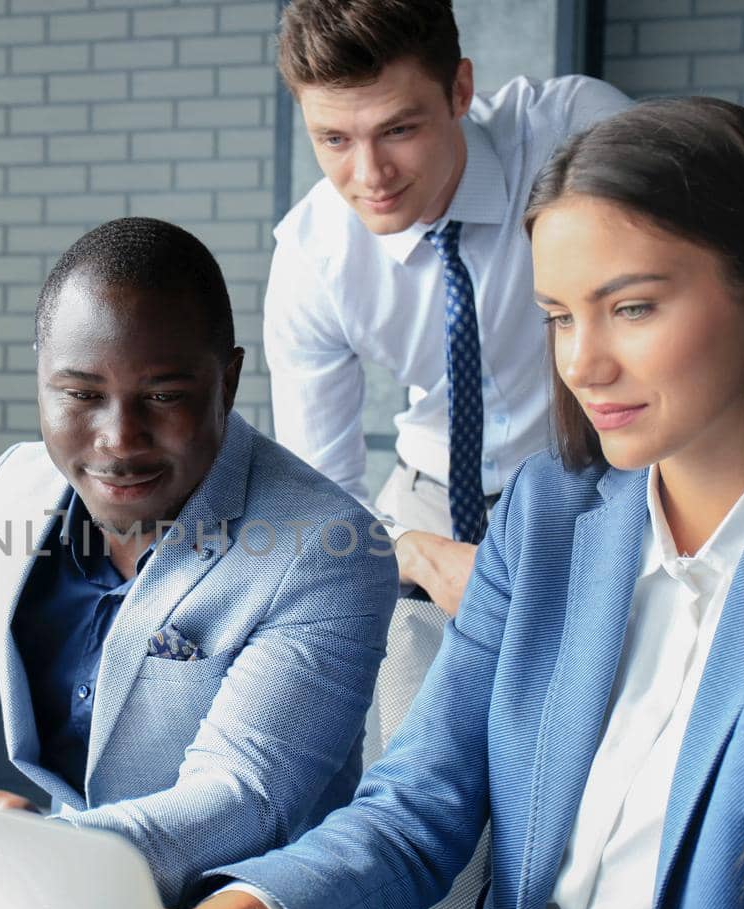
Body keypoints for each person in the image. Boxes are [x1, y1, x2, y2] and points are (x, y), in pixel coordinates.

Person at [168, 97, 744, 909]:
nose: (583, 362)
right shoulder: (548, 516)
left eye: (631, 306)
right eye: (555, 316)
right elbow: (418, 803)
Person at [0, 217, 398, 908]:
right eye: (79, 394)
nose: (118, 439)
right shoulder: (15, 488)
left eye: (163, 396)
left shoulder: (331, 547)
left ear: (227, 380)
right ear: (42, 380)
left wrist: (27, 851)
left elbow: (240, 797)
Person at [266, 0, 627, 613]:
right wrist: (420, 553)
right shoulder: (313, 257)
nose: (370, 175)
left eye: (398, 129)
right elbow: (317, 493)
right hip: (425, 499)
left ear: (460, 89)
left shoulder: (577, 130)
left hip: (594, 476)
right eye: (334, 139)